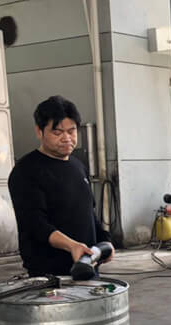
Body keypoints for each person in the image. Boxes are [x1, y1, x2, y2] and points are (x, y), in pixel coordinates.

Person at [7, 95, 114, 277]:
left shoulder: (78, 166)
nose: (66, 138)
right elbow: (36, 224)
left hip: (87, 267)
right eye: (57, 133)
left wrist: (106, 240)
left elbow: (89, 212)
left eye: (71, 131)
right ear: (39, 132)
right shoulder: (26, 171)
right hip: (49, 275)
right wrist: (72, 246)